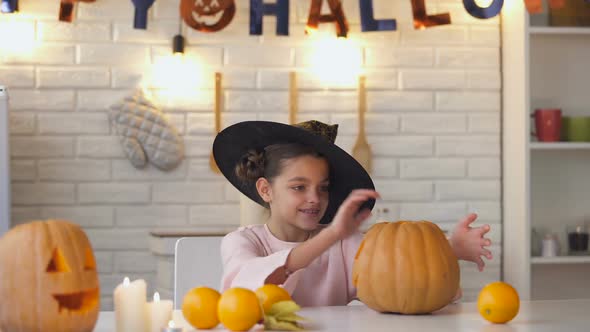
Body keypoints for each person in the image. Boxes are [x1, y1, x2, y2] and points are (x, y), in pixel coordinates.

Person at [212, 120, 492, 307]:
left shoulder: (346, 244)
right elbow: (248, 287)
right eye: (299, 187)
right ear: (265, 190)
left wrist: (449, 249)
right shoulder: (242, 242)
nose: (314, 198)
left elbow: (399, 274)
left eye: (323, 188)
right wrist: (333, 233)